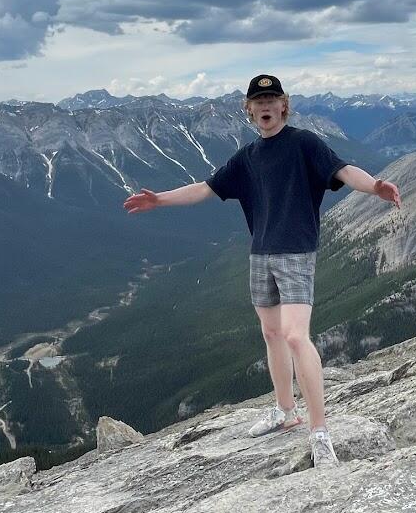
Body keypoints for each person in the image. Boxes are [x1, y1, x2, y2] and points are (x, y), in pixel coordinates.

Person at [123, 74, 401, 469]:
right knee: (271, 333)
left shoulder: (304, 143)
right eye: (259, 100)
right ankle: (285, 410)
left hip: (296, 253)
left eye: (273, 98)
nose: (266, 105)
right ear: (249, 109)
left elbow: (342, 169)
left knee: (294, 335)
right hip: (260, 254)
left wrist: (375, 187)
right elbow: (205, 188)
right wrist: (159, 201)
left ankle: (319, 432)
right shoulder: (248, 157)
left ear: (283, 105)